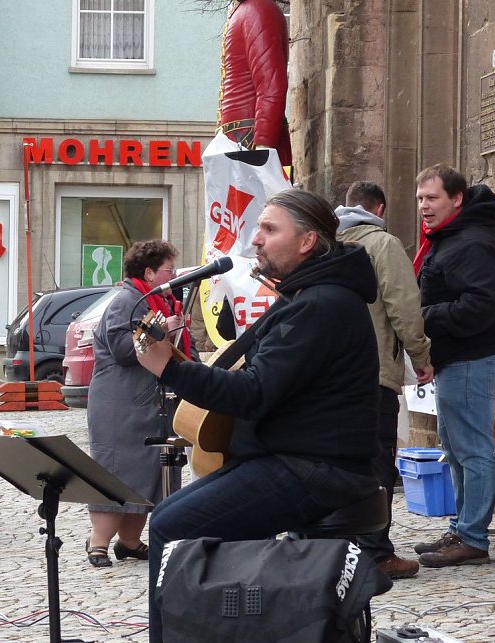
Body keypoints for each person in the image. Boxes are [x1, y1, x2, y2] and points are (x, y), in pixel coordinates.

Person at [135, 189, 382, 642]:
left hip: (317, 468)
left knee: (171, 525)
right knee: (171, 513)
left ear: (307, 242)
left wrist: (170, 368)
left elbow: (253, 393)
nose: (256, 241)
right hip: (294, 456)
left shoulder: (322, 304)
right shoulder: (310, 296)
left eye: (270, 230)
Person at [413, 165, 495, 567]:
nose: (424, 206)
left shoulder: (469, 241)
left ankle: (472, 538)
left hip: (475, 356)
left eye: (432, 198)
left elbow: (481, 305)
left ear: (456, 199)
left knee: (472, 450)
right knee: (455, 449)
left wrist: (423, 317)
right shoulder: (452, 236)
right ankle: (462, 529)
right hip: (458, 356)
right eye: (420, 198)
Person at [335, 181, 434, 579]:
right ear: (380, 208)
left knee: (336, 462)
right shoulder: (382, 244)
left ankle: (340, 548)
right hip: (372, 373)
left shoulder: (322, 241)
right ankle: (376, 552)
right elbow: (403, 307)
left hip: (327, 375)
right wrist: (421, 356)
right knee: (376, 462)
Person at [85, 239, 192, 568]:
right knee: (116, 471)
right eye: (168, 270)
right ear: (148, 272)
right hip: (121, 403)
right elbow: (122, 348)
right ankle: (98, 543)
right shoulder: (128, 300)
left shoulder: (156, 300)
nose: (174, 274)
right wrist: (162, 330)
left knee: (148, 472)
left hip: (146, 403)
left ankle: (129, 542)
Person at [219, 0, 292, 167]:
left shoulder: (259, 9)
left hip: (249, 136)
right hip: (241, 136)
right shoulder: (249, 10)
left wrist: (263, 146)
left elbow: (271, 85)